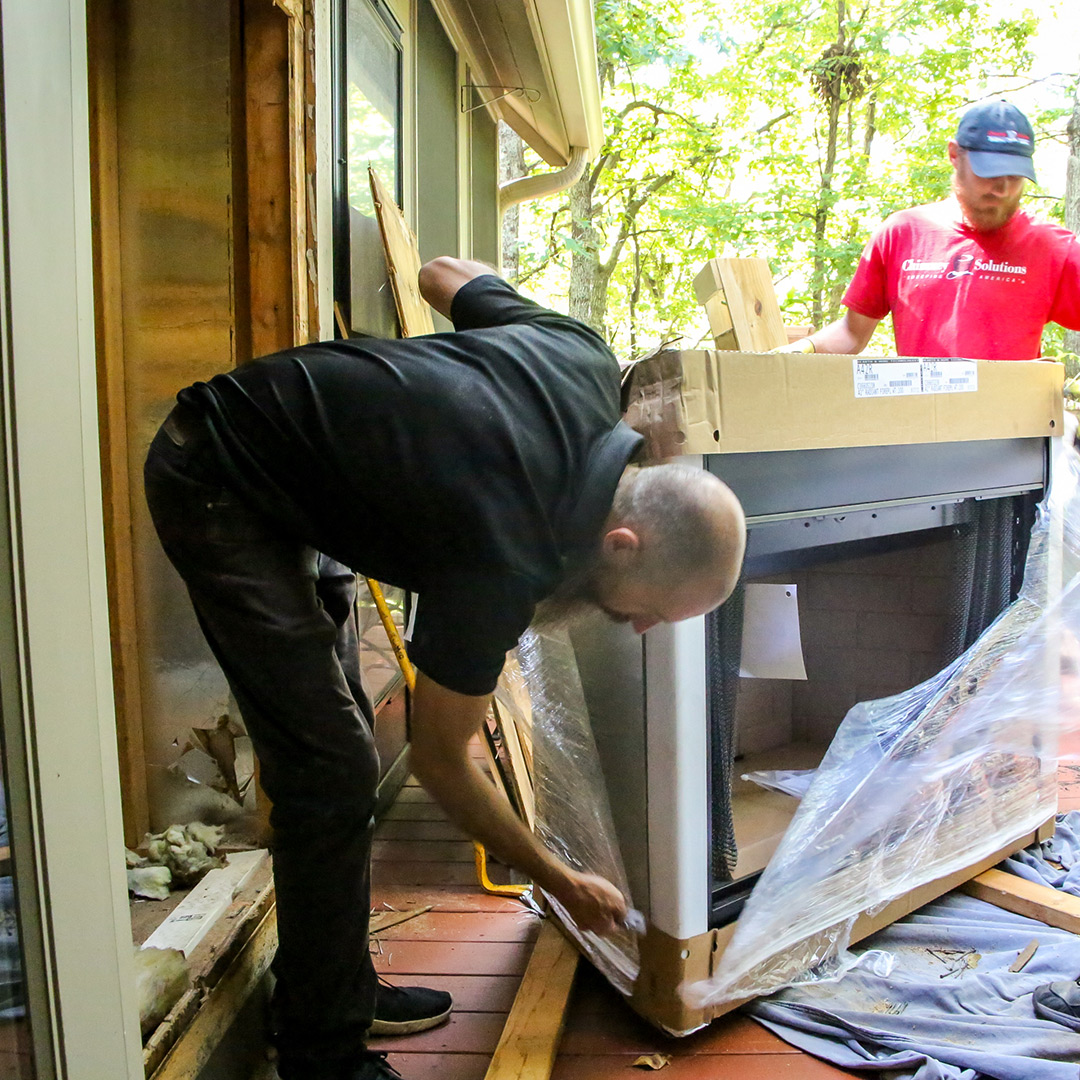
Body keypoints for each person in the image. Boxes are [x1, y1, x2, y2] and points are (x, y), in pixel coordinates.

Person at [144, 257, 746, 1080]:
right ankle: (321, 1054)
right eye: (650, 608)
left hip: (292, 460)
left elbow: (438, 274)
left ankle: (332, 982)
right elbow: (441, 763)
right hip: (216, 475)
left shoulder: (580, 355)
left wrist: (407, 414)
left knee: (337, 739)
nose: (640, 628)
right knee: (331, 771)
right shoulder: (503, 554)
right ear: (622, 543)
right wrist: (560, 877)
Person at [783, 100, 1080, 360]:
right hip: (920, 420)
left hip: (1012, 422)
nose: (1002, 189)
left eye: (1015, 177)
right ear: (954, 154)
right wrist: (797, 352)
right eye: (989, 172)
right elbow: (851, 333)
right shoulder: (902, 234)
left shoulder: (1051, 247)